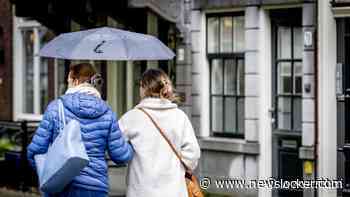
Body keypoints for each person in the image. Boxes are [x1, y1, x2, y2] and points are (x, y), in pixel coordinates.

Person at [27, 63, 134, 197]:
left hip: (61, 186)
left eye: (68, 80)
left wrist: (48, 172)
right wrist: (132, 145)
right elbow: (121, 156)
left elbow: (35, 151)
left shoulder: (56, 107)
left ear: (75, 81)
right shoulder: (107, 113)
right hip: (95, 187)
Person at [118, 68, 201, 197]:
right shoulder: (180, 117)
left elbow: (116, 147)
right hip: (174, 190)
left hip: (141, 190)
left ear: (144, 88)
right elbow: (193, 154)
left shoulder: (131, 118)